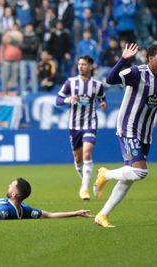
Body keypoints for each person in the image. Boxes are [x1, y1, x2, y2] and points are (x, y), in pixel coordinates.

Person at [92, 43, 157, 227]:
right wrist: (123, 59)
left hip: (145, 133)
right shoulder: (137, 72)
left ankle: (102, 215)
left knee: (130, 177)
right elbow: (110, 79)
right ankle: (105, 174)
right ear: (150, 58)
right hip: (128, 128)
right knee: (140, 171)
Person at [55, 55, 106, 201]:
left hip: (90, 123)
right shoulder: (70, 82)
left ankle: (84, 188)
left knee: (87, 153)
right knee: (78, 159)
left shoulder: (97, 85)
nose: (80, 67)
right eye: (79, 64)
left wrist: (103, 103)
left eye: (84, 64)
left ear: (91, 66)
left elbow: (102, 97)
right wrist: (67, 99)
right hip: (74, 125)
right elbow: (58, 99)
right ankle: (87, 182)